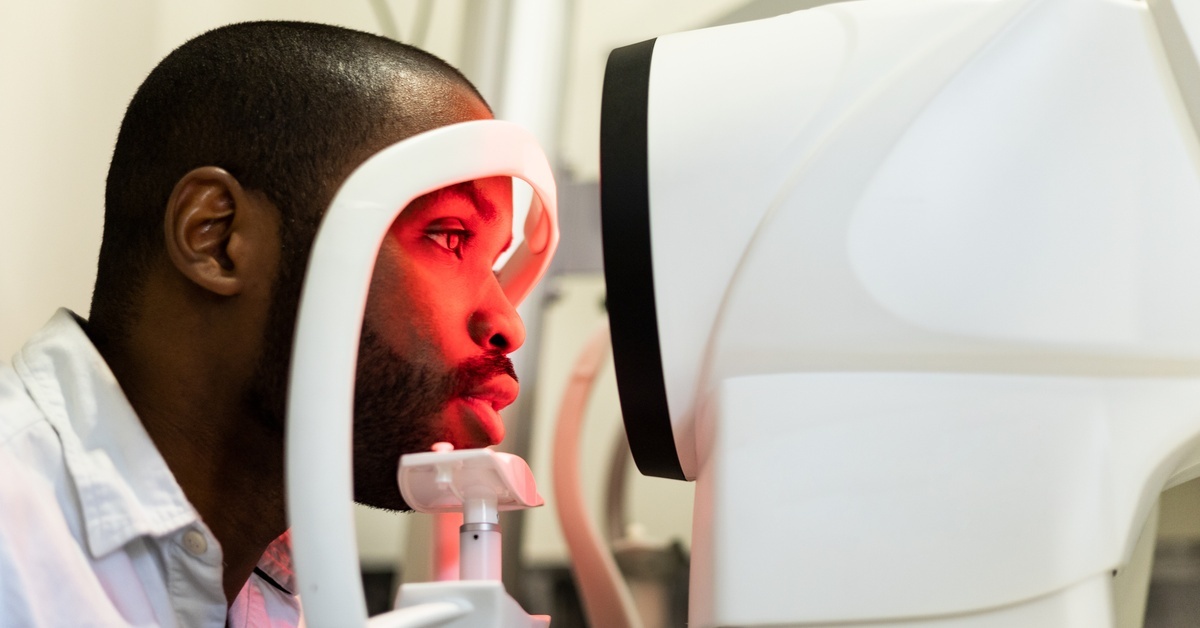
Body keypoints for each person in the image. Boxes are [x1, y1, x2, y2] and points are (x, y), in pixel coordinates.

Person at [0, 21, 525, 627]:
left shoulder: (267, 590)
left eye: (495, 261)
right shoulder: (15, 541)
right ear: (217, 238)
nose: (507, 323)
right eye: (449, 236)